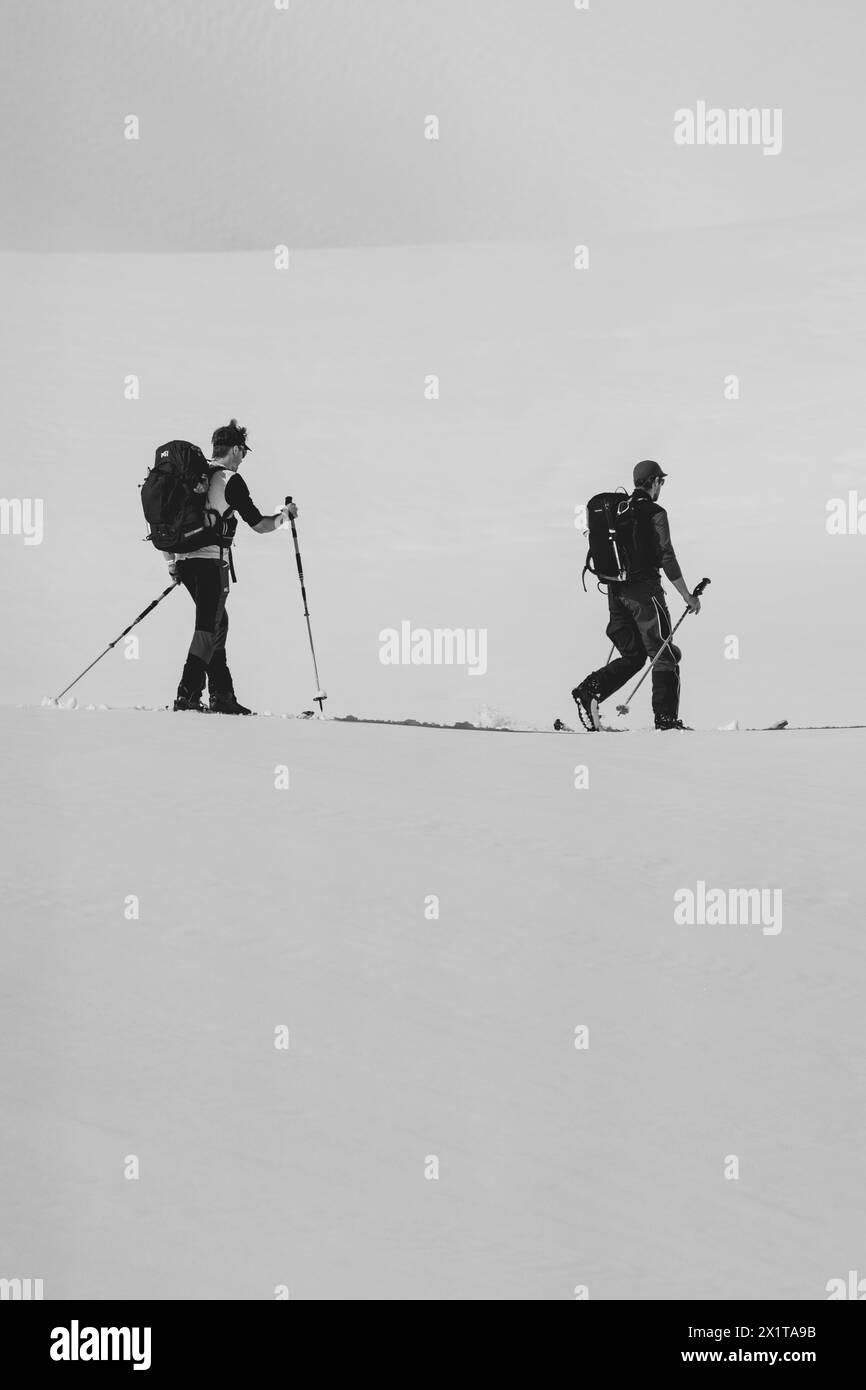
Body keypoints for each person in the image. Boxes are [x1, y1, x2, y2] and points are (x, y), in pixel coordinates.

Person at [168, 419, 297, 714]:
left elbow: (168, 521)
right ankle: (187, 696)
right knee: (207, 628)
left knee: (217, 623)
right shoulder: (229, 480)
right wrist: (285, 516)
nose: (244, 459)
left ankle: (222, 694)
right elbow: (260, 526)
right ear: (236, 450)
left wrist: (172, 564)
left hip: (185, 562)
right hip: (211, 564)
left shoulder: (194, 477)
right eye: (244, 452)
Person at [573, 460, 701, 731]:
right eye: (661, 482)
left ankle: (589, 691)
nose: (661, 487)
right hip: (645, 595)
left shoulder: (618, 511)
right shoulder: (654, 512)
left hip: (615, 591)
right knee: (663, 653)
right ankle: (666, 723)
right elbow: (667, 556)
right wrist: (687, 595)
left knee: (634, 656)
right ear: (654, 482)